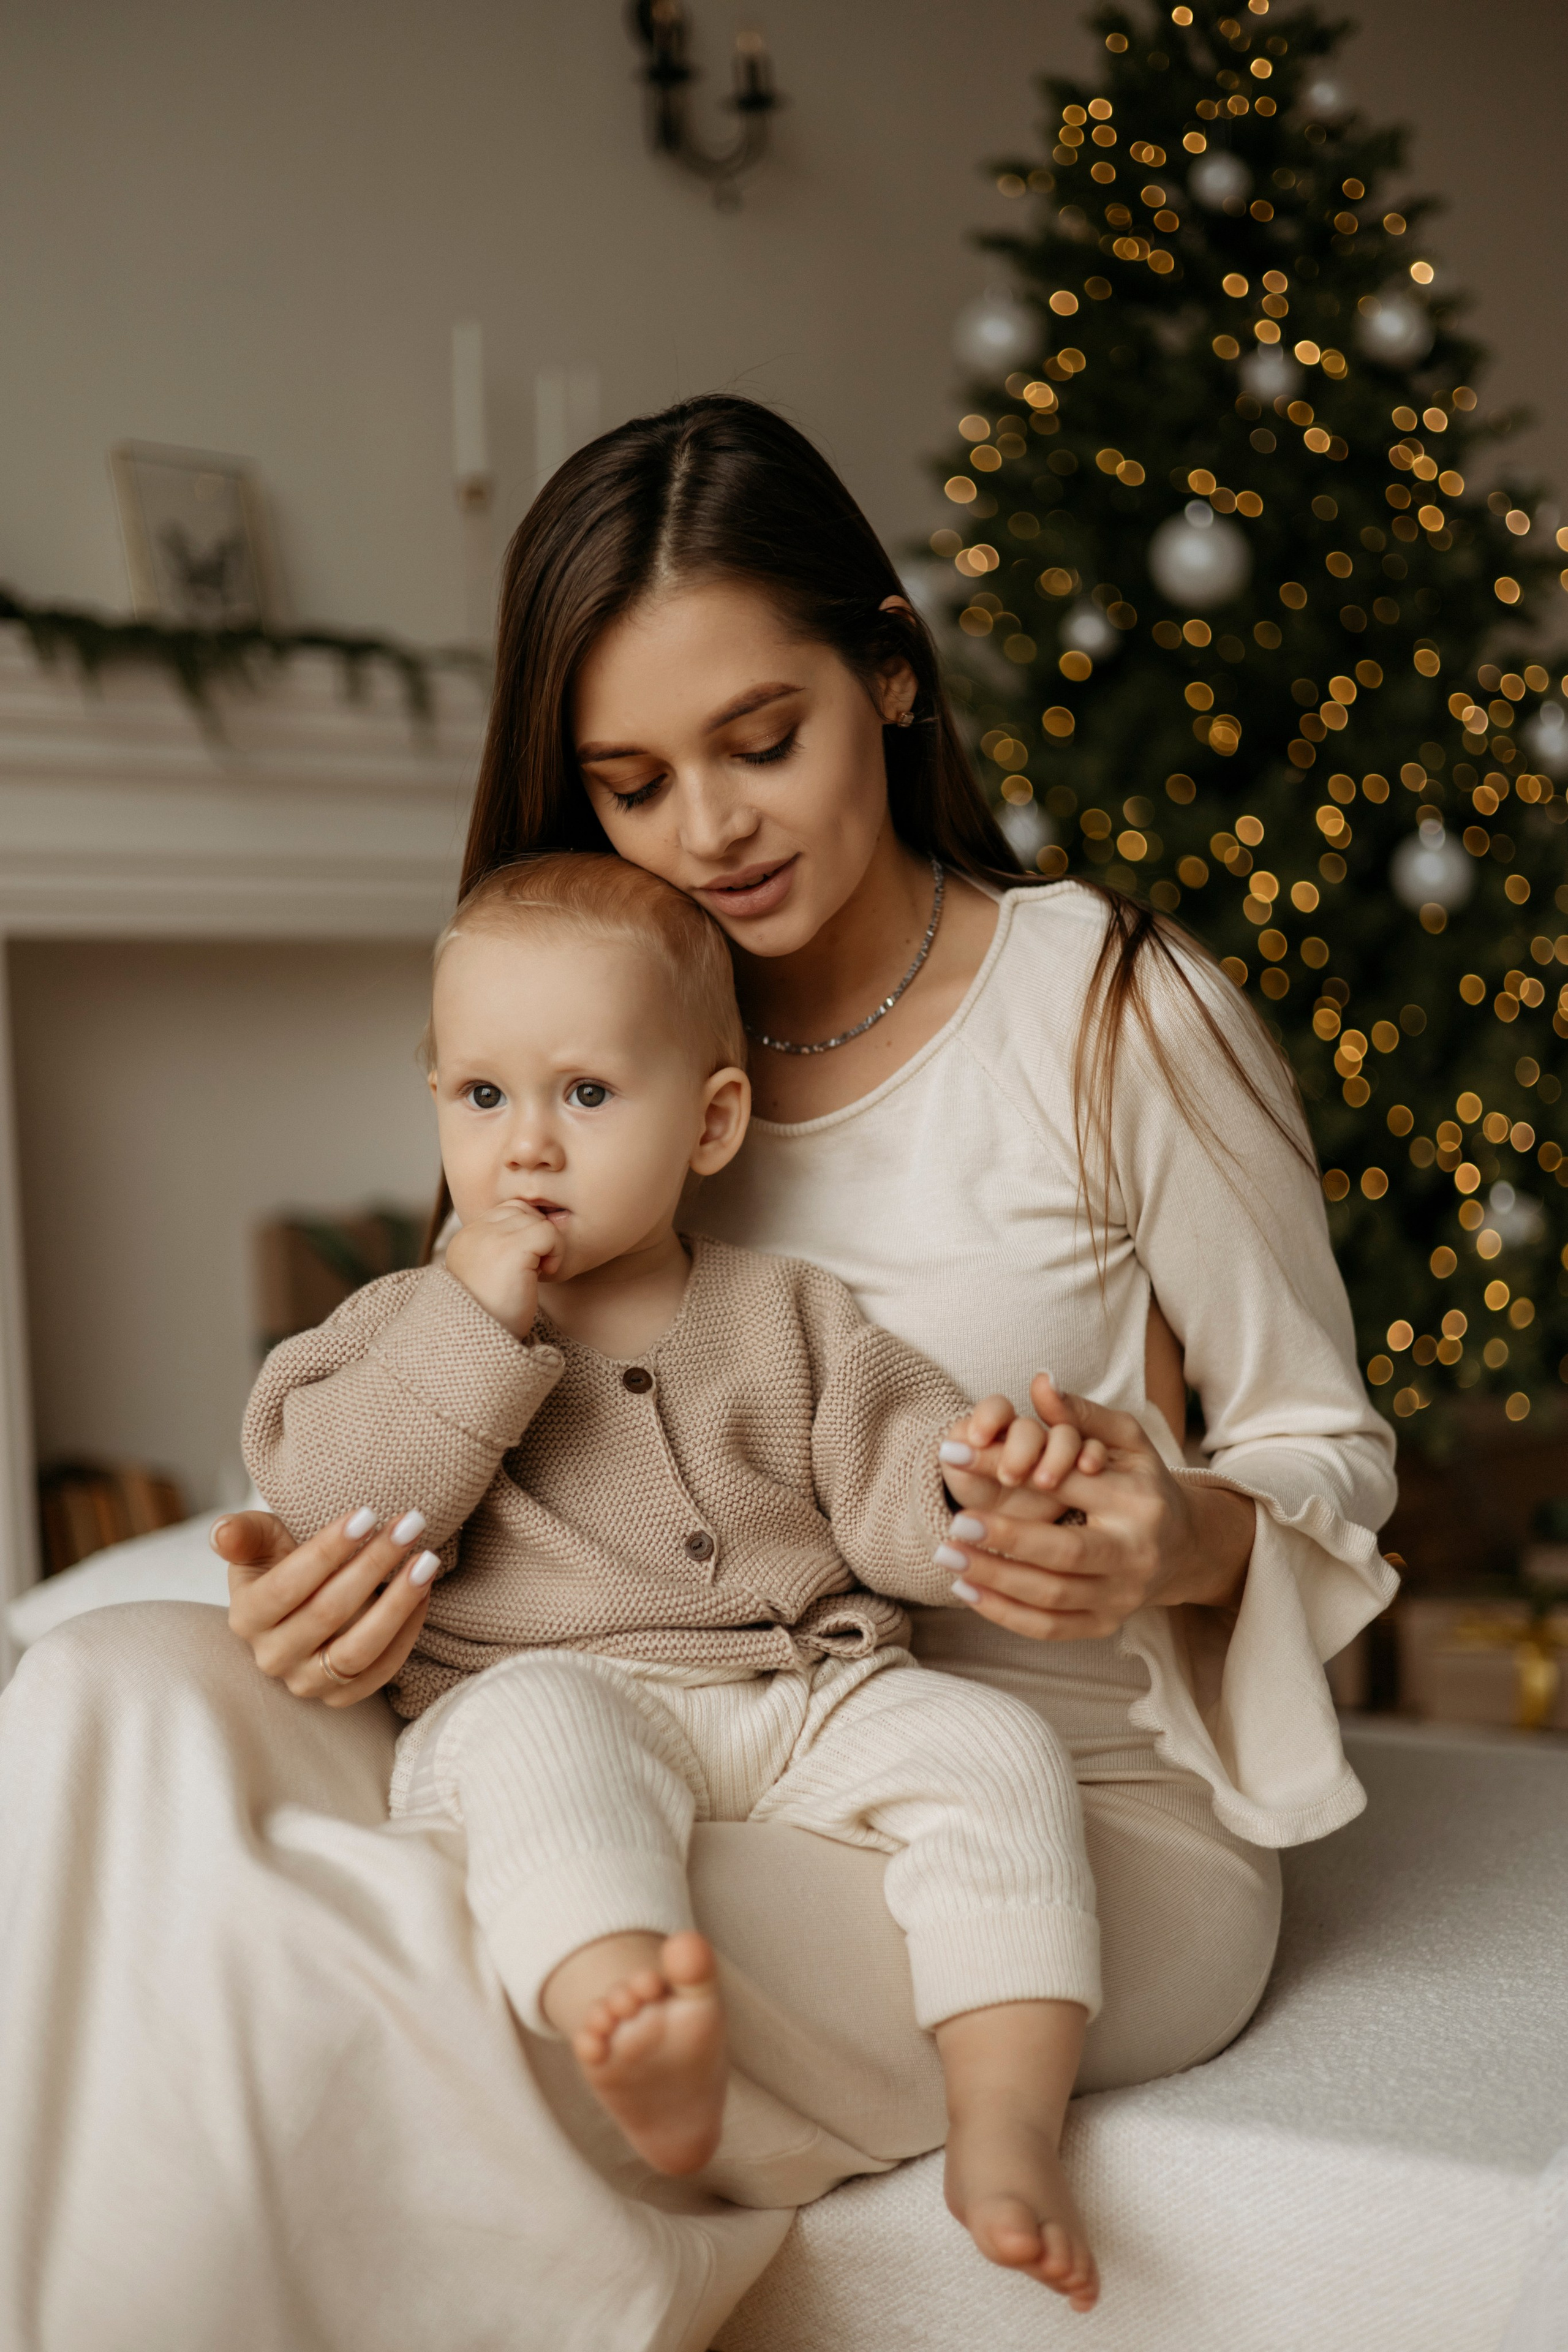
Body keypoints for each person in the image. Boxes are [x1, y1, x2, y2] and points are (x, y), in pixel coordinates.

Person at [0, 394, 1396, 2352]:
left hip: (1032, 1790)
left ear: (889, 674)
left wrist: (1176, 1539)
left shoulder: (1108, 1015)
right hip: (606, 1700)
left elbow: (1322, 1447)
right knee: (98, 1696)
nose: (710, 831)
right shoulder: (589, 1043)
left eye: (764, 742)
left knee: (375, 1969)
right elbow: (488, 1458)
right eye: (633, 783)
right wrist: (339, 1612)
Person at [245, 850, 1110, 2308]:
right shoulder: (397, 1325)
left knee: (996, 1751)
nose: (526, 1147)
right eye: (482, 1097)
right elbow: (332, 1497)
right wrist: (470, 1320)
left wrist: (973, 1483)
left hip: (803, 1694)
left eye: (585, 1096)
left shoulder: (789, 1315)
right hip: (549, 1687)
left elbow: (892, 1496)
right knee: (540, 1755)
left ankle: (1005, 2122)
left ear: (709, 1124)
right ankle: (626, 2016)